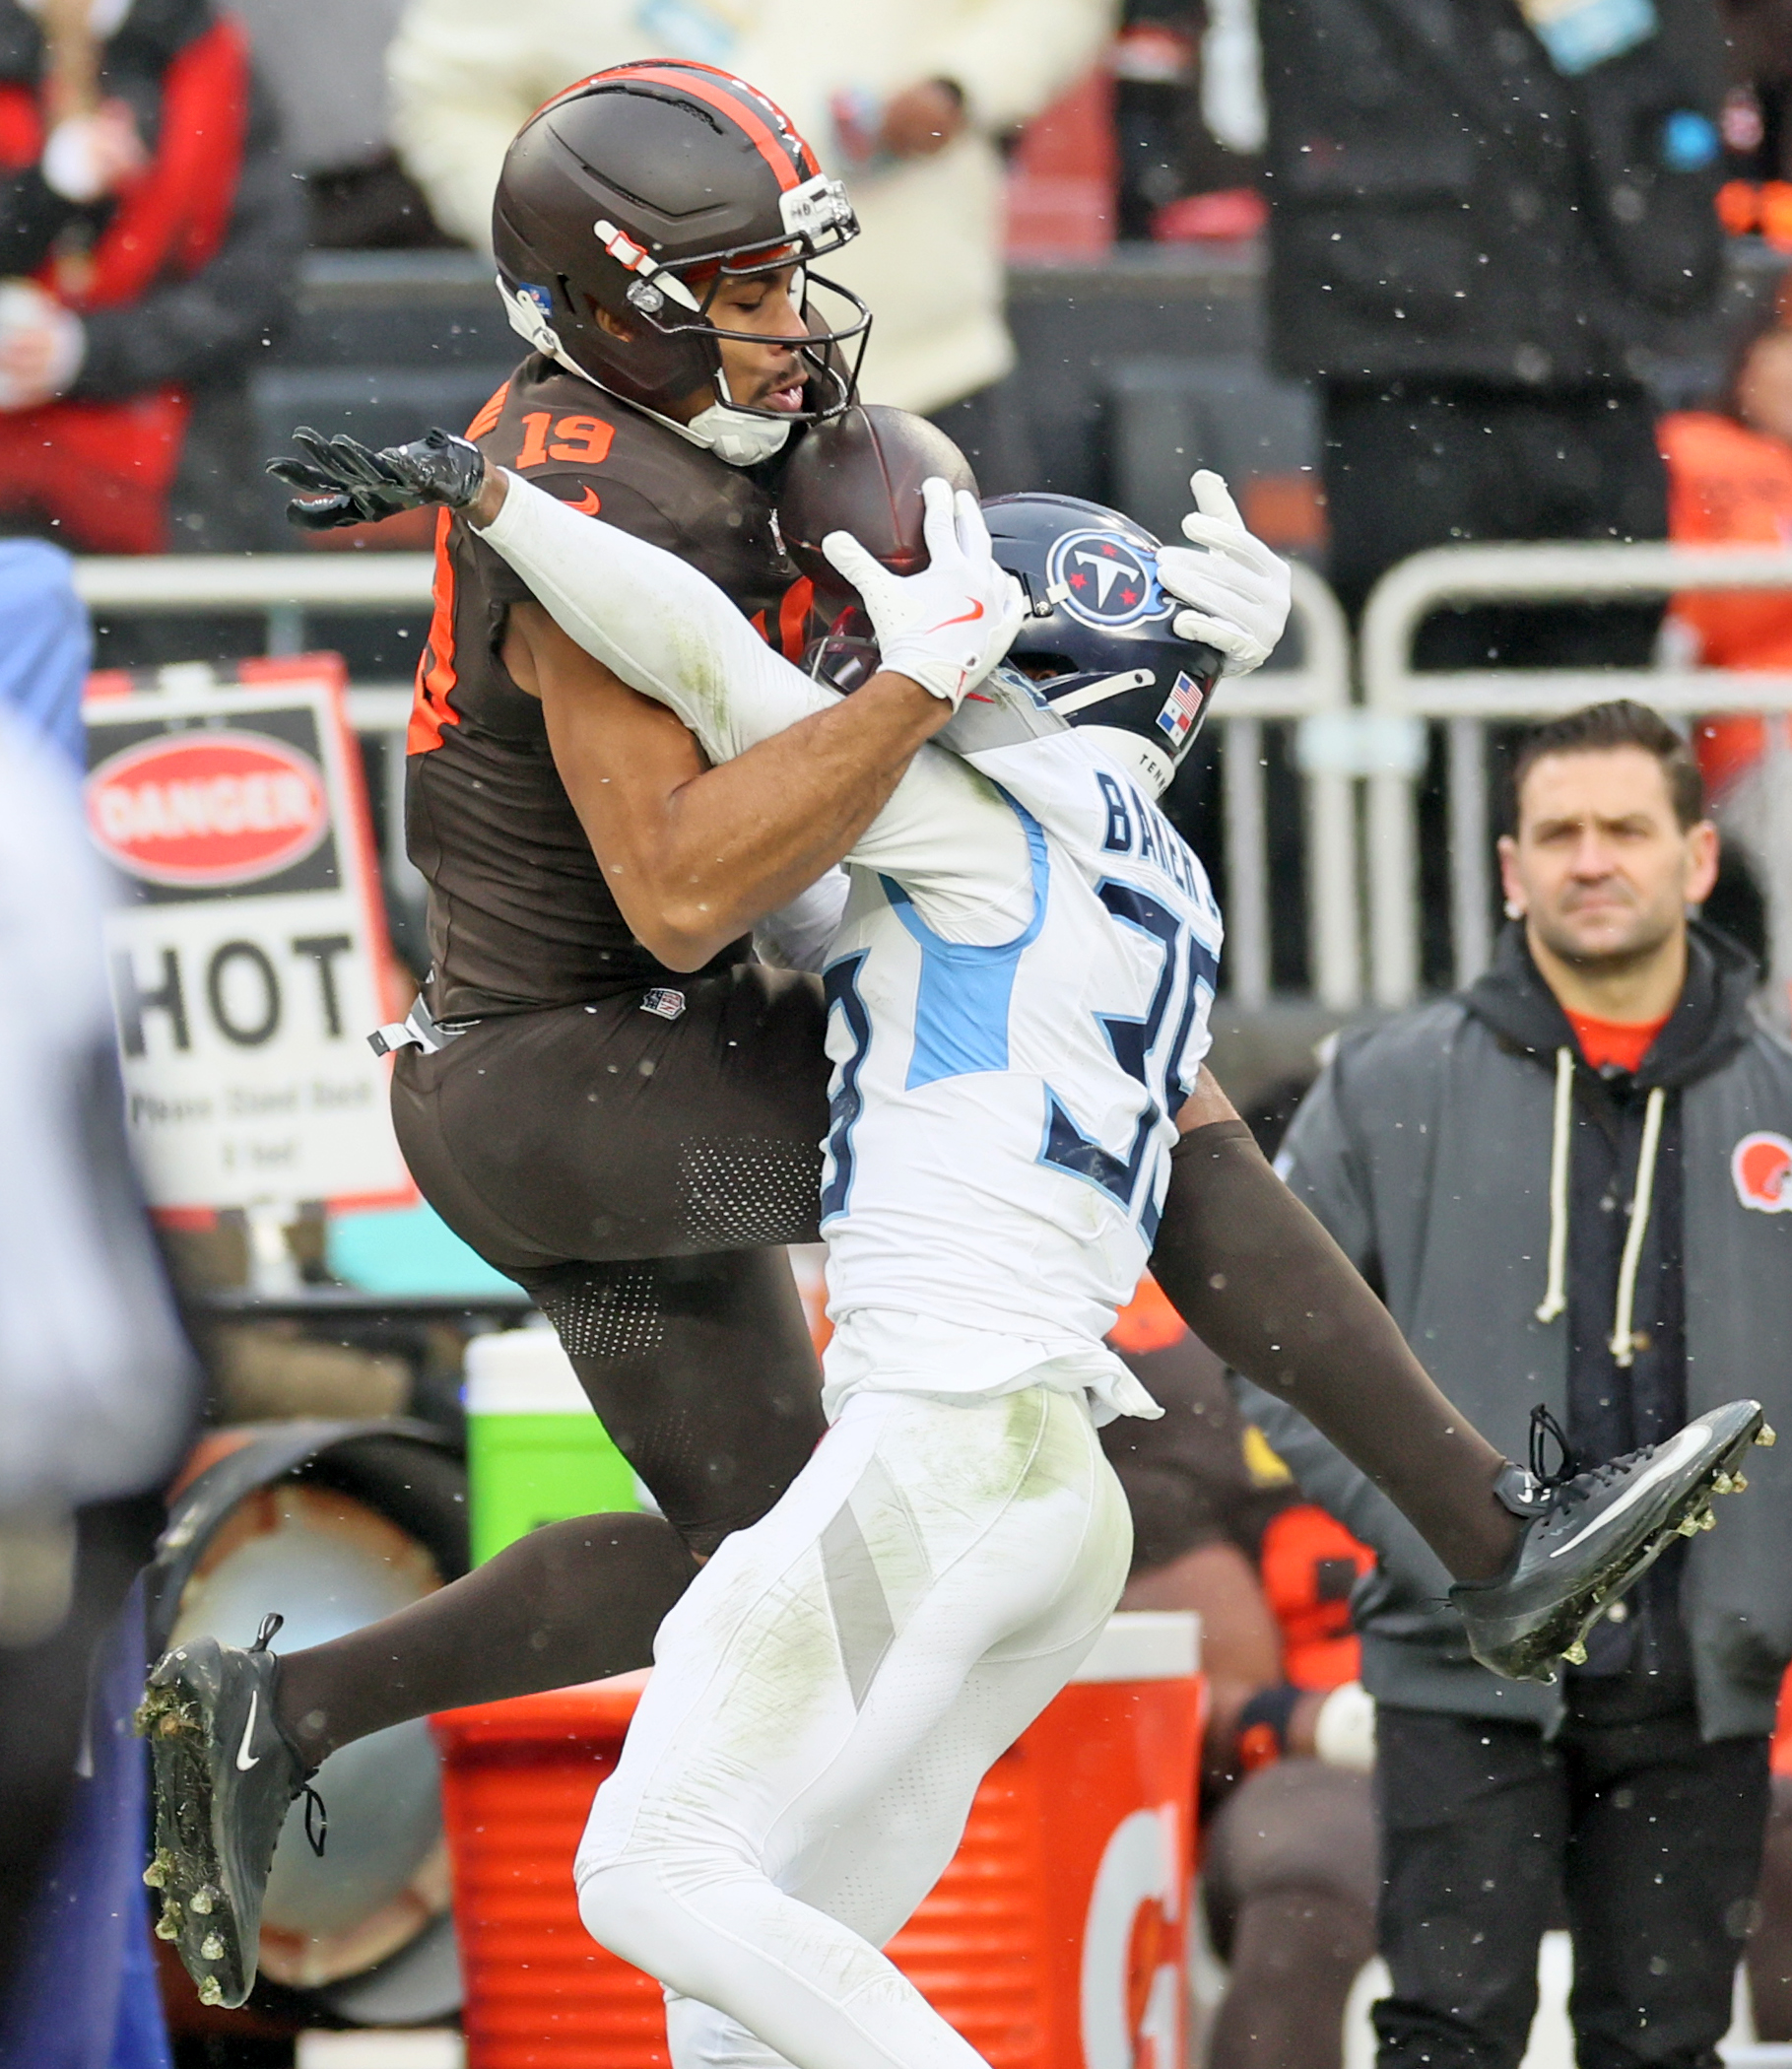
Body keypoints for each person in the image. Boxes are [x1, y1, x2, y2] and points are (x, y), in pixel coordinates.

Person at [143, 64, 1759, 2013]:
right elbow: (675, 884)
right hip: (565, 1071)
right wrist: (914, 689)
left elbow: (920, 800)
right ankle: (1491, 1528)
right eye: (736, 286)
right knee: (1131, 1118)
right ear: (617, 305)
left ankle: (280, 1709)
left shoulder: (688, 451)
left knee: (754, 1566)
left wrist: (1119, 678)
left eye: (785, 273)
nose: (785, 325)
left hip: (605, 1051)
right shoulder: (595, 496)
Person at [1239, 700, 1792, 2069]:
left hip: (1702, 1678)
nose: (1588, 860)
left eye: (1622, 829)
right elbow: (1268, 1356)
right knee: (1444, 2037)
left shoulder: (1782, 1095)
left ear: (1696, 860)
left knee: (1663, 2045)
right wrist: (1464, 1547)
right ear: (1506, 867)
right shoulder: (1379, 1085)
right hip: (1456, 1663)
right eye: (1556, 833)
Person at [383, 0, 1116, 486]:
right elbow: (443, 95)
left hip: (926, 360)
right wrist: (553, 235)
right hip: (661, 396)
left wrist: (962, 87)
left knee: (977, 674)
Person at [1259, 0, 1727, 656]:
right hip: (1412, 402)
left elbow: (1679, 255)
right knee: (1422, 676)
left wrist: (1598, 42)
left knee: (1597, 704)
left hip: (1598, 400)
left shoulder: (1637, 28)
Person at [1102, 1292, 1378, 2069]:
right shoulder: (1189, 1356)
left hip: (1564, 1735)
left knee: (1743, 1827)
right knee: (1306, 1866)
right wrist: (1345, 1725)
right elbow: (1202, 1692)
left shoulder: (1601, 1324)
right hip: (1337, 1762)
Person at [0, 0, 301, 552]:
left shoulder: (205, 54)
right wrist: (44, 193)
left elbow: (257, 291)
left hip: (181, 474)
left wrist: (87, 352)